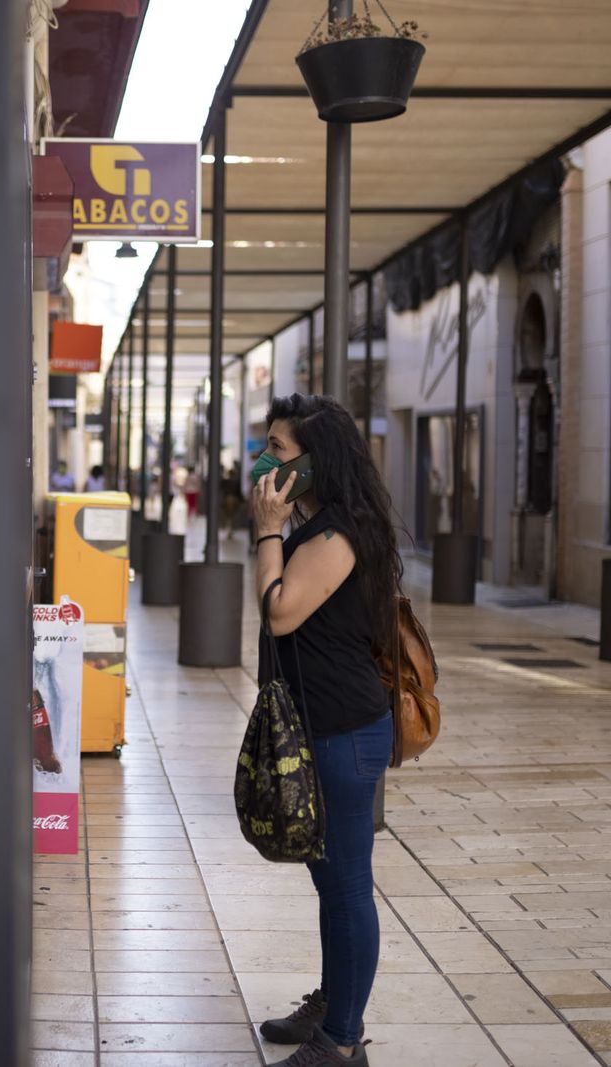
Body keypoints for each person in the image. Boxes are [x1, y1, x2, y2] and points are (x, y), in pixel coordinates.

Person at [250, 394, 400, 1067]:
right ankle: (334, 1005)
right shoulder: (324, 526)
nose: (263, 459)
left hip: (344, 732)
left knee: (346, 888)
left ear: (315, 461)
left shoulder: (337, 534)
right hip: (323, 728)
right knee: (328, 882)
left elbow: (280, 611)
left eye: (276, 448)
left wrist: (267, 530)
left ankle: (342, 1039)